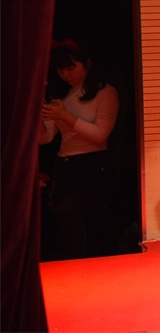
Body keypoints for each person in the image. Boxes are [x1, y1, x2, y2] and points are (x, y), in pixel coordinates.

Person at [39, 38, 120, 259]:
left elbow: (100, 135)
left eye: (70, 68)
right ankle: (74, 265)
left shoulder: (105, 92)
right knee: (65, 219)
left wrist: (63, 115)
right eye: (60, 69)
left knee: (72, 211)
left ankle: (80, 265)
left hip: (94, 165)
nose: (65, 74)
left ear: (87, 63)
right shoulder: (60, 96)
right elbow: (46, 138)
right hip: (64, 165)